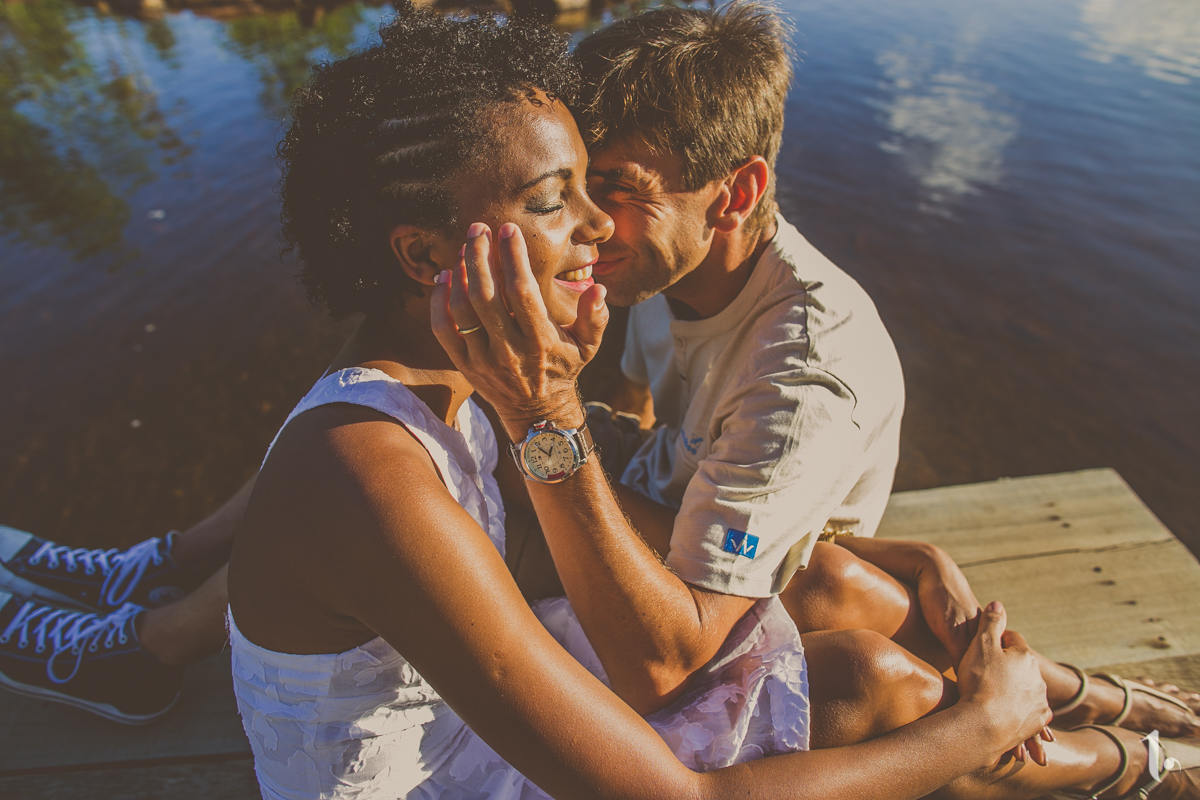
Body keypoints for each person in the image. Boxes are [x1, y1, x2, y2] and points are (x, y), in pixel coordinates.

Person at [0, 6, 1197, 799]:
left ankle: (1116, 734)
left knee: (834, 620)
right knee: (880, 693)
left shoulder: (452, 380)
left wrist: (552, 409)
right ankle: (1131, 756)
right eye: (562, 198)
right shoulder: (371, 465)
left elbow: (605, 508)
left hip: (465, 717)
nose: (598, 232)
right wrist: (969, 727)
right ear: (430, 257)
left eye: (604, 191)